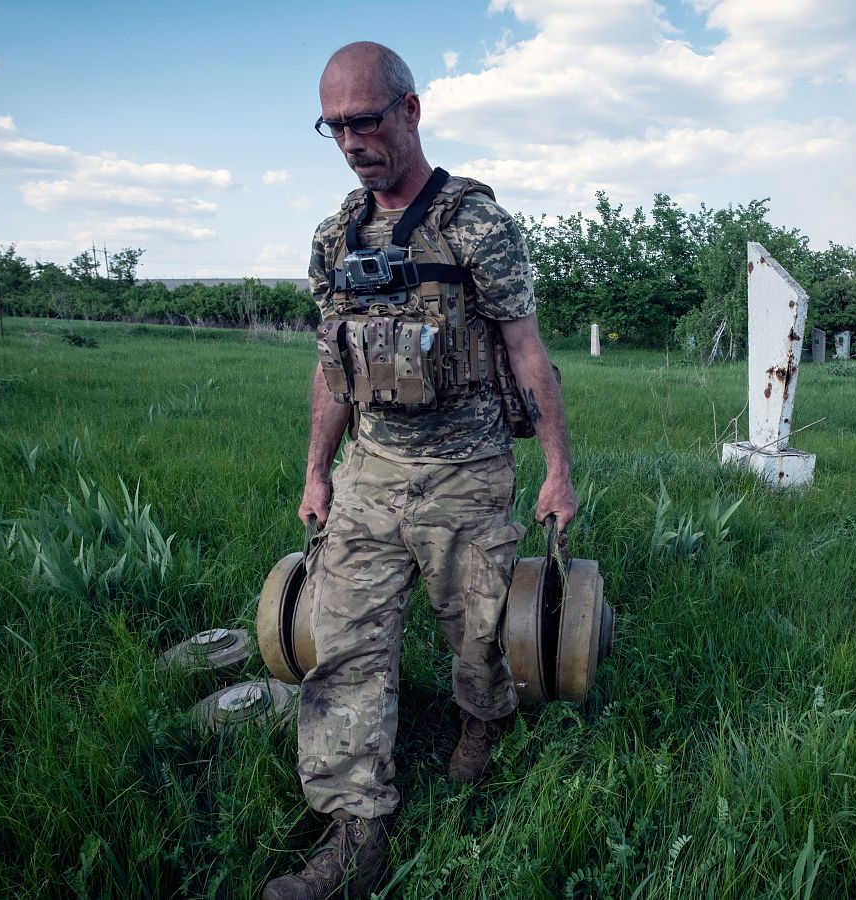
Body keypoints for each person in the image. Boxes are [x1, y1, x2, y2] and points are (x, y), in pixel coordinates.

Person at [263, 41, 576, 900]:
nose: (354, 141)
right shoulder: (334, 237)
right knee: (344, 644)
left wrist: (556, 470)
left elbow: (526, 349)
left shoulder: (475, 223)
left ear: (410, 109)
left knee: (479, 640)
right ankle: (356, 829)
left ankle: (480, 722)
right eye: (335, 127)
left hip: (468, 473)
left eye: (366, 120)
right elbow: (333, 370)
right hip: (372, 471)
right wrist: (317, 474)